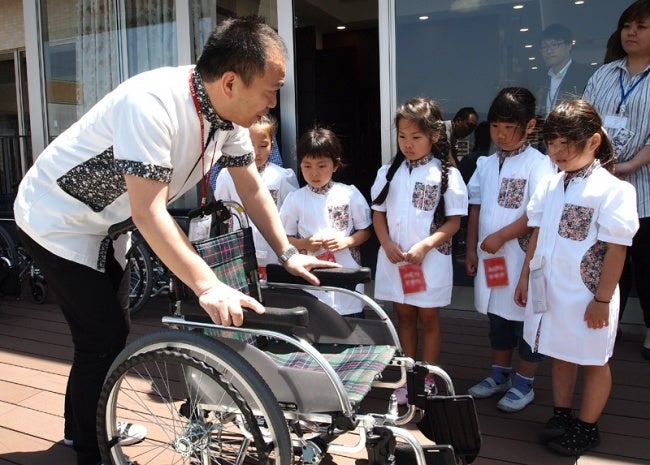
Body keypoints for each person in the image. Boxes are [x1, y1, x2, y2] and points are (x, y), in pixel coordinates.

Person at [12, 16, 336, 465]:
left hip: (107, 225)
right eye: (271, 90)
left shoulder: (227, 116)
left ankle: (84, 424)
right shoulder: (151, 104)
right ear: (230, 82)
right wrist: (207, 285)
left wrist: (287, 252)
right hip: (55, 220)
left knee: (108, 333)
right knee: (102, 336)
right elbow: (149, 211)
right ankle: (91, 446)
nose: (273, 102)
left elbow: (251, 188)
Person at [515, 99, 639, 456]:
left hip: (588, 295)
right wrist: (525, 278)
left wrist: (602, 300)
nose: (558, 152)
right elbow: (537, 234)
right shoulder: (550, 184)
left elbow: (616, 250)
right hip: (550, 288)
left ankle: (587, 426)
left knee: (594, 359)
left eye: (567, 144)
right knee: (560, 352)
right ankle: (562, 413)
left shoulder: (614, 190)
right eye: (552, 144)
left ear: (594, 141)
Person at [370, 97, 468, 405]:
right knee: (404, 316)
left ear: (434, 136)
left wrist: (426, 245)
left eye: (416, 137)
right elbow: (378, 213)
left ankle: (427, 376)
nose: (408, 144)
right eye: (402, 136)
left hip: (430, 261)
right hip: (396, 260)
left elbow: (454, 222)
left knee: (429, 317)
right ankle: (406, 376)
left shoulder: (446, 174)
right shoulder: (389, 172)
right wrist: (386, 243)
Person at [465, 87, 555, 413]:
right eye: (495, 126)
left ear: (530, 126)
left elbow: (536, 215)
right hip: (492, 259)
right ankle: (499, 374)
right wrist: (472, 250)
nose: (500, 134)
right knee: (498, 318)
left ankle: (524, 382)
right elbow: (475, 207)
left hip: (523, 260)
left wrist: (502, 235)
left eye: (509, 127)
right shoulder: (487, 164)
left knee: (526, 322)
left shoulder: (539, 165)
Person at [582, 0, 650, 360]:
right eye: (627, 26)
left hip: (644, 187)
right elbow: (585, 120)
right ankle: (611, 320)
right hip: (602, 184)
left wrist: (631, 163)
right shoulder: (605, 74)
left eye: (641, 27)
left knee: (646, 262)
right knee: (606, 256)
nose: (631, 33)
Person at [279, 126, 372, 318]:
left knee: (351, 323)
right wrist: (304, 243)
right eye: (307, 166)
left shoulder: (349, 194)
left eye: (321, 166)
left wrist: (346, 241)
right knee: (317, 322)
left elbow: (365, 231)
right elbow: (284, 238)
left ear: (335, 165)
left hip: (346, 274)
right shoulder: (295, 199)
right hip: (311, 280)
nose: (314, 173)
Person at [214, 114, 298, 266]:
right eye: (250, 144)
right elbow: (224, 209)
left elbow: (291, 215)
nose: (257, 151)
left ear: (272, 145)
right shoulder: (227, 174)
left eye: (263, 145)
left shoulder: (282, 176)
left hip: (274, 247)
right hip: (239, 244)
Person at [534, 24, 593, 118]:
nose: (549, 51)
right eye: (544, 47)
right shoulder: (539, 78)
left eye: (554, 45)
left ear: (569, 46)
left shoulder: (584, 75)